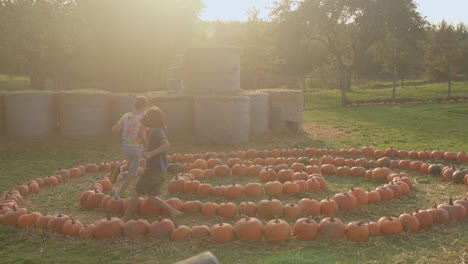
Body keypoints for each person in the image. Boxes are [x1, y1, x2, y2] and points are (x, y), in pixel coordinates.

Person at [122, 107, 181, 222]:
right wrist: (146, 151)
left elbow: (166, 145)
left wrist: (150, 153)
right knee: (152, 198)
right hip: (160, 170)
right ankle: (174, 211)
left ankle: (125, 218)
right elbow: (157, 147)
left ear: (151, 119)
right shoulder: (158, 131)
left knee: (136, 193)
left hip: (153, 170)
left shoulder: (156, 131)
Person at [110, 96, 149, 199]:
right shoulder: (143, 120)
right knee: (132, 174)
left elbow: (115, 129)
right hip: (136, 149)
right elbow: (143, 137)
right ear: (143, 107)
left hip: (125, 148)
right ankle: (118, 194)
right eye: (145, 108)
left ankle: (118, 170)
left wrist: (115, 128)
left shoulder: (126, 116)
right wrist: (147, 148)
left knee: (129, 164)